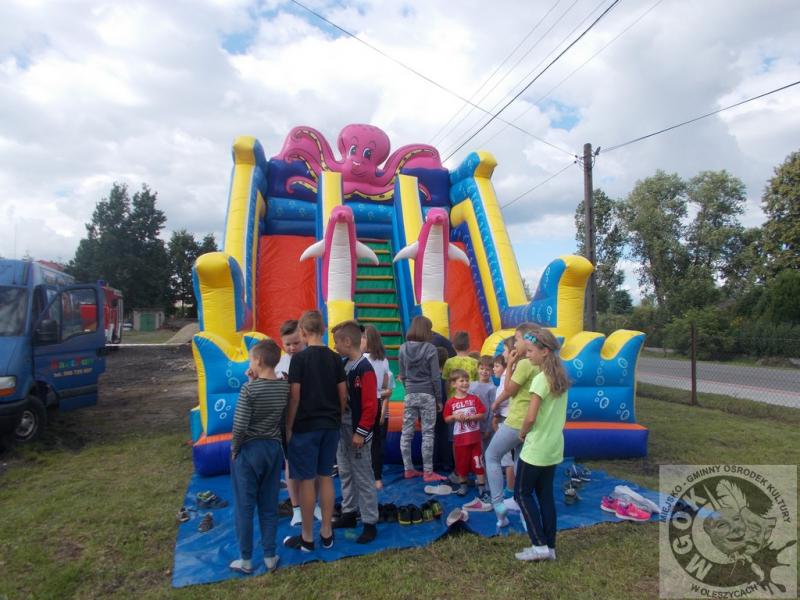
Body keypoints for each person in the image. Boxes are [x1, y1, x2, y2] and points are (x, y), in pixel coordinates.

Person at [284, 310, 347, 552]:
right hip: (329, 426)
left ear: (303, 332)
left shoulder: (299, 359)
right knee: (326, 477)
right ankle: (327, 532)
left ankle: (307, 536)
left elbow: (295, 397)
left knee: (307, 481)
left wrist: (289, 426)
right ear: (323, 329)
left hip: (305, 427)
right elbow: (342, 394)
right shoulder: (335, 358)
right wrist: (337, 417)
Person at [229, 339, 289, 575]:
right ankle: (270, 556)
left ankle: (245, 559)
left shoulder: (248, 390)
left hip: (249, 451)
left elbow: (240, 425)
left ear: (259, 361)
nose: (249, 364)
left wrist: (235, 448)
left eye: (251, 360)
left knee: (244, 506)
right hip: (273, 450)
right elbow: (280, 418)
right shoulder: (284, 387)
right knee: (268, 504)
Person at [514, 327, 570, 562]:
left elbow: (530, 417)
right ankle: (551, 547)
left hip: (536, 449)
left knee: (521, 494)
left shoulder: (540, 380)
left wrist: (522, 433)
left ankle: (539, 545)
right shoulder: (560, 378)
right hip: (553, 447)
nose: (527, 355)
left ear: (545, 351)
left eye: (530, 351)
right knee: (545, 495)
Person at [486, 323, 540, 528]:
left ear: (527, 340)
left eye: (516, 339)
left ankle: (498, 503)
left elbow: (509, 389)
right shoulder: (541, 363)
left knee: (491, 456)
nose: (515, 343)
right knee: (519, 459)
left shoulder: (524, 364)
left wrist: (509, 365)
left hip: (517, 421)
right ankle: (523, 506)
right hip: (531, 423)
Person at [331, 320, 379, 543]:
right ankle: (349, 512)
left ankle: (370, 522)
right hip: (342, 429)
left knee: (363, 475)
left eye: (336, 342)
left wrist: (361, 432)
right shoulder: (343, 365)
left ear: (347, 342)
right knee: (345, 471)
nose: (334, 346)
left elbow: (370, 405)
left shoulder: (364, 368)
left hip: (357, 431)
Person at [274, 319, 316, 527]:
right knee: (290, 463)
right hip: (288, 421)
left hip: (310, 418)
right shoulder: (279, 364)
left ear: (304, 339)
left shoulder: (312, 360)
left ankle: (313, 504)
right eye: (287, 344)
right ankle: (296, 507)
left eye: (295, 343)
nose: (291, 348)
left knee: (312, 463)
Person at [398, 315, 446, 482]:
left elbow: (402, 375)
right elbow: (435, 377)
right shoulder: (430, 349)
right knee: (428, 434)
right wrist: (439, 399)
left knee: (406, 433)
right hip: (427, 395)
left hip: (410, 394)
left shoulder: (403, 348)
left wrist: (409, 390)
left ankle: (408, 469)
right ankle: (428, 472)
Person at [443, 369, 491, 510]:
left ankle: (482, 488)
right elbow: (446, 419)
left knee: (478, 463)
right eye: (461, 381)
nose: (465, 383)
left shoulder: (474, 399)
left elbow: (482, 414)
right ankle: (463, 485)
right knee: (461, 464)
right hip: (460, 440)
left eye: (466, 380)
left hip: (474, 439)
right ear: (453, 384)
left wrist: (471, 417)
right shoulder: (450, 402)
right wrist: (454, 417)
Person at [361, 324, 392, 490]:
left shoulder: (362, 359)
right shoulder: (383, 360)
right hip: (377, 402)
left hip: (364, 403)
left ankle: (365, 475)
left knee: (362, 439)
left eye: (362, 338)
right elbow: (385, 384)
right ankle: (377, 478)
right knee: (376, 443)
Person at [491, 350, 515, 494]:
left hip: (504, 419)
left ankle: (510, 489)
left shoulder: (506, 379)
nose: (494, 369)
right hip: (505, 419)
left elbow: (504, 398)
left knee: (506, 458)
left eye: (497, 366)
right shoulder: (504, 379)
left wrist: (495, 409)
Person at [432, 346, 454, 473]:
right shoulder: (447, 379)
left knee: (433, 435)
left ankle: (433, 463)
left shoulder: (432, 378)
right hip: (446, 409)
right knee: (445, 435)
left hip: (434, 409)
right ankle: (447, 463)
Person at [469, 355, 496, 445]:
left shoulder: (492, 388)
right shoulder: (471, 385)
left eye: (487, 369)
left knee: (483, 449)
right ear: (477, 369)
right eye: (482, 368)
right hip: (470, 425)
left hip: (483, 427)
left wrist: (488, 429)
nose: (484, 371)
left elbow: (492, 410)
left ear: (492, 371)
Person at [442, 331, 479, 397]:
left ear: (453, 346)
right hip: (470, 397)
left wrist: (448, 396)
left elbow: (447, 382)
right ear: (469, 346)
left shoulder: (449, 362)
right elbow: (478, 382)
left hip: (454, 397)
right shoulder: (475, 362)